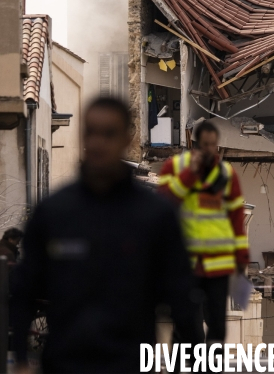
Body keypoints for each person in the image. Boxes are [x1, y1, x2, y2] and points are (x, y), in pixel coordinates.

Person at [11, 97, 200, 374]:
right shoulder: (54, 213)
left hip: (128, 364)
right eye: (91, 132)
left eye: (109, 133)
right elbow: (24, 291)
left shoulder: (155, 216)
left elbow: (182, 299)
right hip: (65, 363)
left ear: (126, 138)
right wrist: (20, 358)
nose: (99, 143)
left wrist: (192, 363)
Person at [158, 119, 250, 352]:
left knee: (217, 326)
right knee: (188, 326)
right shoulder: (176, 167)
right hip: (186, 263)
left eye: (214, 145)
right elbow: (164, 203)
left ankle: (210, 366)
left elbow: (237, 217)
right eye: (205, 145)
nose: (210, 150)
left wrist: (241, 256)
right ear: (195, 144)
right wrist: (191, 175)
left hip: (218, 264)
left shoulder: (226, 174)